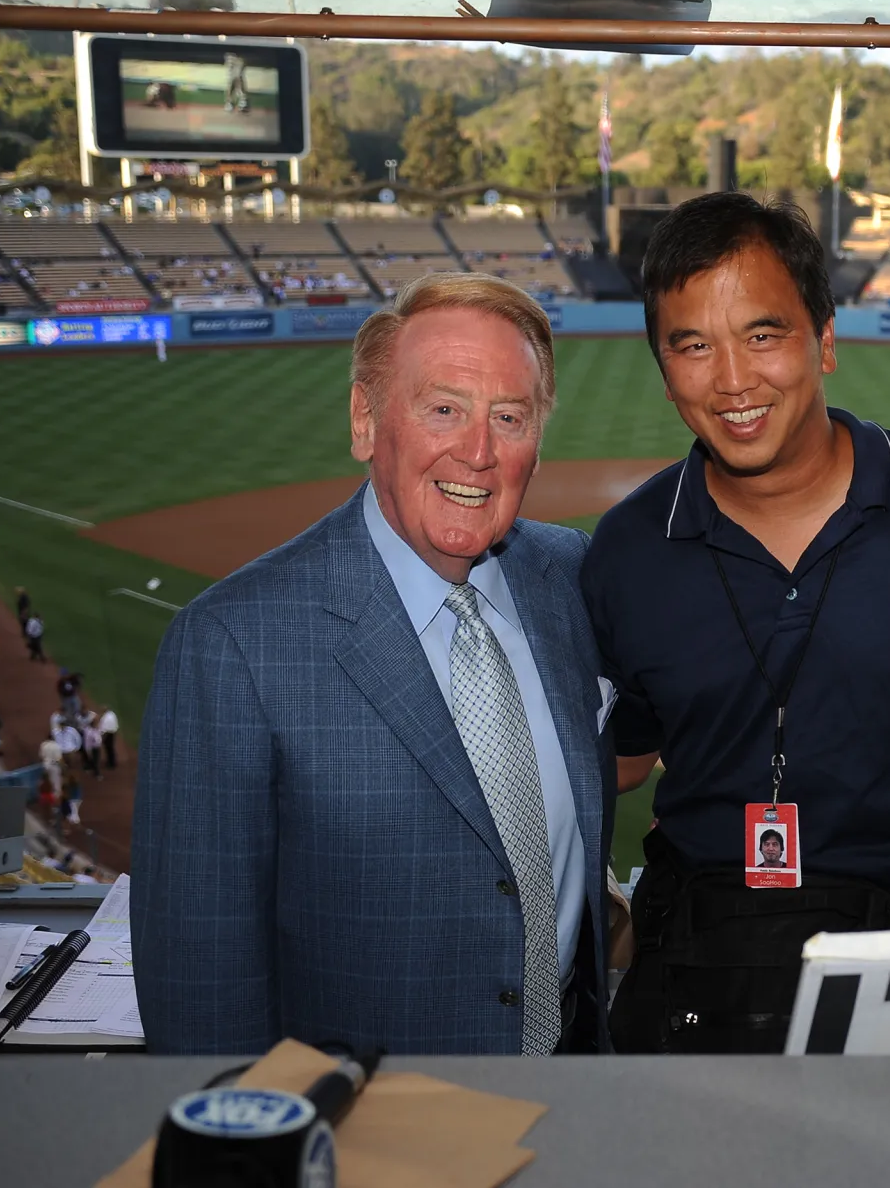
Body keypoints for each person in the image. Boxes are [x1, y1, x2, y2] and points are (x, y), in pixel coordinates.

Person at [582, 193, 890, 1055]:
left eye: (762, 334)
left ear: (824, 339)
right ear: (663, 366)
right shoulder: (628, 548)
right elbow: (620, 752)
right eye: (692, 345)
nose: (732, 379)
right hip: (703, 970)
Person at [135, 273, 613, 1056]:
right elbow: (199, 985)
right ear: (366, 420)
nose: (479, 450)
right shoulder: (230, 645)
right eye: (444, 408)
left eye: (510, 416)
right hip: (360, 1125)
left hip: (570, 1082)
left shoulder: (568, 580)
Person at [98, 705, 120, 770]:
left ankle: (111, 763)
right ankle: (112, 761)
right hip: (112, 733)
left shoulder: (105, 718)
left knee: (108, 749)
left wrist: (102, 738)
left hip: (107, 734)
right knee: (110, 748)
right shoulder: (112, 714)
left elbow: (103, 729)